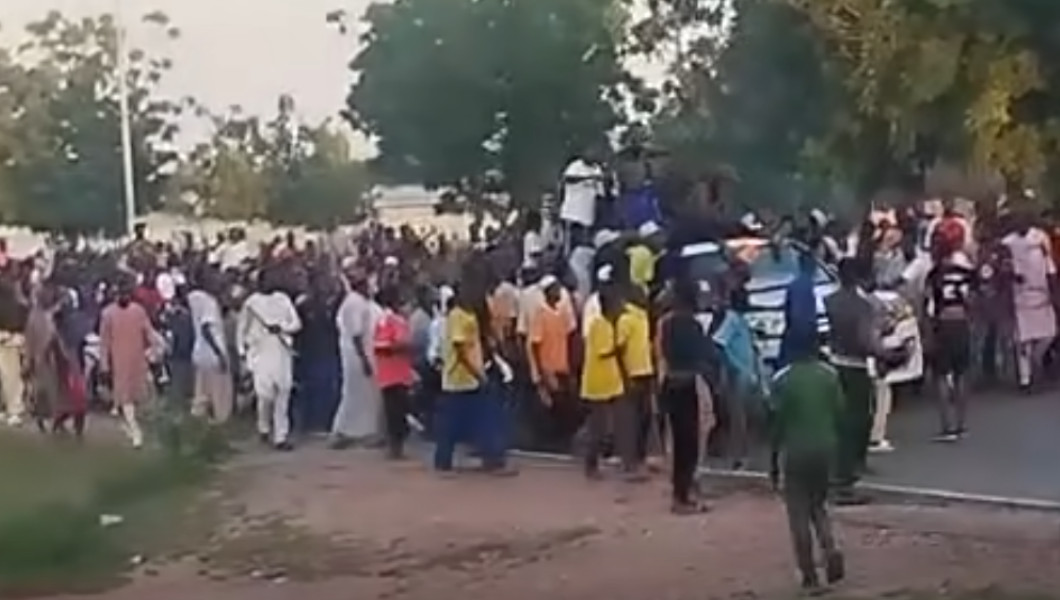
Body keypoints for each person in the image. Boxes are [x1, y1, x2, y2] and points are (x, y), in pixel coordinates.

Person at [769, 331, 846, 592]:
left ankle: (810, 575)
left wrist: (773, 460)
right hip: (825, 447)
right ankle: (830, 547)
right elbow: (840, 411)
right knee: (819, 505)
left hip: (796, 450)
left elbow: (775, 423)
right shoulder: (830, 375)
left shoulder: (783, 379)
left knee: (798, 513)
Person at [824, 258, 885, 504]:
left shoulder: (831, 302)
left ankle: (838, 475)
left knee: (840, 422)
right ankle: (845, 480)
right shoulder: (862, 306)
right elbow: (865, 341)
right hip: (856, 366)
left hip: (836, 362)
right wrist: (886, 354)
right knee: (858, 422)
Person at [656, 278, 711, 514]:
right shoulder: (694, 325)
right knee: (689, 443)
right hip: (687, 383)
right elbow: (701, 357)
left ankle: (681, 494)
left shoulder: (666, 323)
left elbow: (663, 353)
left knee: (678, 441)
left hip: (670, 382)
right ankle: (682, 496)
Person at [238, 267, 302, 451]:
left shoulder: (283, 299)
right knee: (264, 395)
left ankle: (280, 436)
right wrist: (243, 353)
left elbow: (296, 323)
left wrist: (281, 327)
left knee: (284, 391)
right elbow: (242, 329)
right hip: (261, 352)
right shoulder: (251, 303)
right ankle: (264, 427)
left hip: (281, 351)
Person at [580, 277, 637, 480]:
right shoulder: (599, 325)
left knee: (615, 421)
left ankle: (623, 462)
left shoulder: (611, 325)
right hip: (598, 381)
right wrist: (619, 348)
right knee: (599, 426)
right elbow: (602, 351)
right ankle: (590, 464)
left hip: (611, 379)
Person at [925, 234, 977, 441]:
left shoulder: (934, 274)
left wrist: (927, 330)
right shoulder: (966, 272)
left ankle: (947, 426)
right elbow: (973, 298)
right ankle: (961, 424)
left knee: (941, 375)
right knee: (962, 373)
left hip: (943, 323)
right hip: (961, 321)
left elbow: (928, 304)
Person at [1001, 213, 1057, 390]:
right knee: (1022, 341)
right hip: (1021, 297)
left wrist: (1053, 291)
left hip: (1042, 294)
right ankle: (1025, 379)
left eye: (1023, 221)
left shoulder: (1040, 238)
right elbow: (1002, 267)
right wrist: (1011, 275)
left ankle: (1037, 360)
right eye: (1017, 222)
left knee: (1050, 334)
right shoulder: (1008, 243)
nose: (1020, 224)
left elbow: (1050, 266)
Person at [100, 276, 157, 448]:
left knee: (138, 397)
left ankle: (133, 427)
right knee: (125, 398)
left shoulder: (138, 312)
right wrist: (104, 364)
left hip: (137, 361)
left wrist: (154, 349)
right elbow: (105, 341)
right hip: (119, 362)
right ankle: (135, 432)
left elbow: (149, 332)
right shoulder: (108, 314)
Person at [331, 268, 381, 448]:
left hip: (363, 352)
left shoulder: (361, 302)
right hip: (356, 355)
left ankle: (365, 432)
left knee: (367, 395)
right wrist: (364, 360)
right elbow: (356, 335)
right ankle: (341, 432)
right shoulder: (355, 303)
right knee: (353, 393)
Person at [527, 275, 575, 449]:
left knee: (564, 406)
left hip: (562, 365)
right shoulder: (540, 313)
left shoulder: (561, 312)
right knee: (552, 406)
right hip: (549, 368)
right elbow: (534, 345)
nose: (559, 292)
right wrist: (540, 372)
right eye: (555, 289)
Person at [374, 286, 414, 459]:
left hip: (388, 374)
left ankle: (394, 446)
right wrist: (405, 347)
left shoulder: (383, 320)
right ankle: (395, 447)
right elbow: (394, 344)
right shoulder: (396, 321)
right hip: (397, 374)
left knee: (393, 411)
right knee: (397, 413)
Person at [188, 268, 233, 424]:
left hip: (199, 351)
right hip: (213, 353)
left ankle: (199, 422)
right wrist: (219, 354)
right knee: (219, 393)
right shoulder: (209, 302)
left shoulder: (194, 298)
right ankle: (217, 422)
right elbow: (206, 328)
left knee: (201, 391)